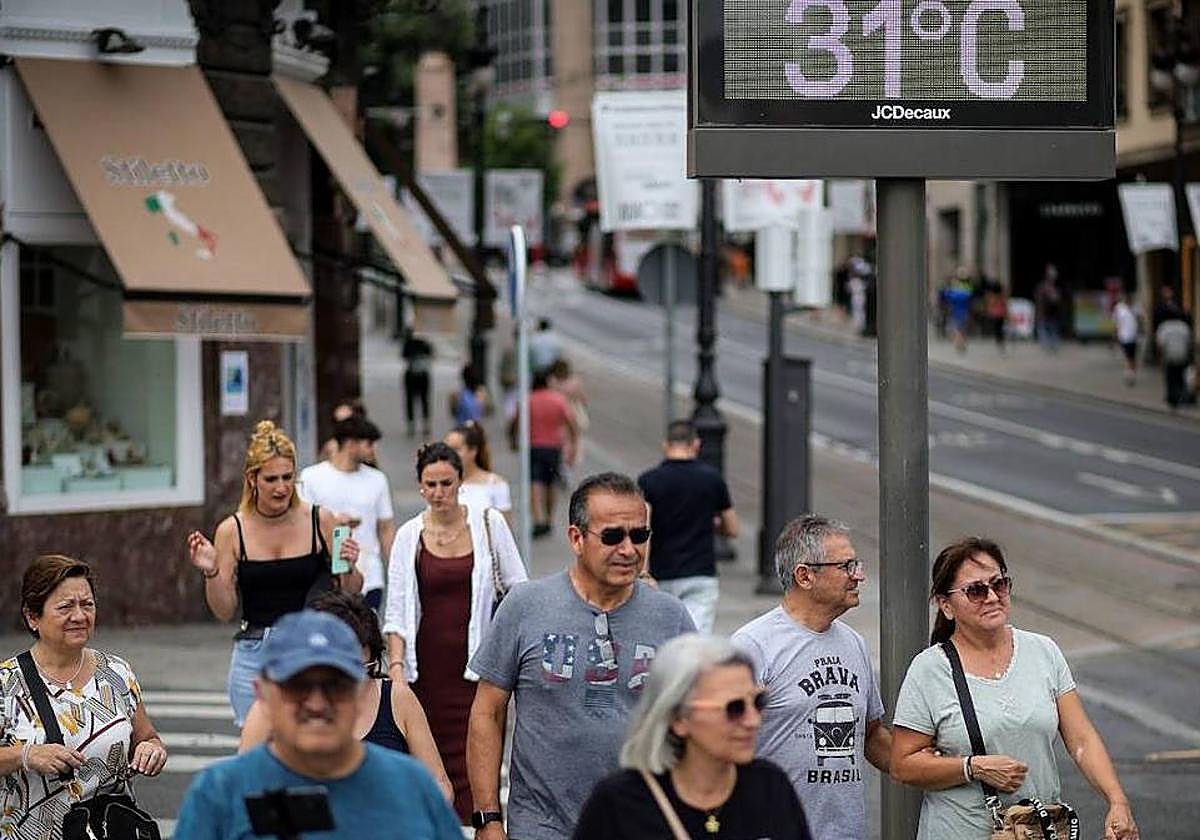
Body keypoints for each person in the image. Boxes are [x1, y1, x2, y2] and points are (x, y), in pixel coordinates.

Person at [467, 472, 696, 840]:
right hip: (542, 826)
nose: (629, 549)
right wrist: (487, 818)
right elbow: (487, 711)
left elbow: (694, 721)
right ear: (576, 537)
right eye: (612, 536)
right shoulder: (525, 606)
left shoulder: (671, 617)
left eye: (639, 535)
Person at [890, 537, 1138, 840]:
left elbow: (1081, 739)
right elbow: (902, 765)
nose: (992, 597)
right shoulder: (929, 670)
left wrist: (1117, 801)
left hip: (1035, 831)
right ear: (946, 605)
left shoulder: (1043, 651)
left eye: (1000, 584)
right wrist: (973, 768)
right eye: (976, 590)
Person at [173, 610, 462, 840]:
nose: (317, 703)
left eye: (335, 686)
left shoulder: (414, 789)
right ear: (263, 693)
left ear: (361, 691)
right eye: (298, 685)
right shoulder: (218, 795)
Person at [384, 442, 527, 823]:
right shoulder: (408, 535)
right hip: (425, 671)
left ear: (461, 481)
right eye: (430, 485)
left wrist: (510, 654)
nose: (438, 493)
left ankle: (480, 826)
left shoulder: (488, 523)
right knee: (426, 762)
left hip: (477, 671)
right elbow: (396, 610)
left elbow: (518, 589)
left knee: (476, 758)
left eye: (446, 483)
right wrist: (397, 672)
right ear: (419, 486)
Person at [186, 420, 362, 727]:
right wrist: (212, 572)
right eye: (271, 479)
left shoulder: (320, 519)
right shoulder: (232, 530)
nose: (281, 487)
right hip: (255, 651)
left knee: (309, 745)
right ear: (252, 479)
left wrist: (348, 563)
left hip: (311, 646)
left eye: (287, 477)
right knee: (257, 756)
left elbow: (350, 591)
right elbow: (224, 610)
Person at [731, 515, 890, 840]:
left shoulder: (853, 643)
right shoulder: (752, 646)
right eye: (846, 566)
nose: (858, 576)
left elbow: (871, 736)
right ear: (805, 575)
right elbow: (717, 749)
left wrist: (953, 768)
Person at [573, 633, 812, 839]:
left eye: (758, 702)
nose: (753, 720)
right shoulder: (620, 802)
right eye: (734, 708)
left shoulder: (770, 785)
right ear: (678, 718)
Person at [1, 555, 168, 840]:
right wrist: (25, 755)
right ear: (32, 617)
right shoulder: (7, 683)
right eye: (66, 607)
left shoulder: (117, 672)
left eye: (87, 604)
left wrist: (151, 750)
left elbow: (147, 736)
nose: (79, 616)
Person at [238, 591, 453, 802]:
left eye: (352, 674)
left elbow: (438, 782)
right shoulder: (268, 709)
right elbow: (244, 788)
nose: (320, 701)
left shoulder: (397, 698)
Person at [637, 419, 738, 634]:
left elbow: (643, 528)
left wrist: (644, 572)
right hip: (700, 573)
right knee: (695, 641)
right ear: (696, 444)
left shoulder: (649, 481)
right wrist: (714, 523)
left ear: (666, 445)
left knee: (663, 640)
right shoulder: (712, 479)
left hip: (662, 573)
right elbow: (732, 528)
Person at [300, 416, 395, 611]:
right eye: (368, 444)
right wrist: (334, 522)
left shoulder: (377, 480)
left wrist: (396, 567)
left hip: (370, 574)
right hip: (325, 576)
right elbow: (301, 525)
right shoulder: (312, 477)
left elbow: (385, 527)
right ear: (351, 444)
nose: (373, 449)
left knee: (367, 636)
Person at [528, 369, 580, 538]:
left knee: (535, 482)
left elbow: (517, 421)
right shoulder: (558, 400)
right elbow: (572, 423)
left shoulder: (530, 399)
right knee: (551, 483)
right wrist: (573, 445)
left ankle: (538, 519)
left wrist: (513, 438)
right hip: (554, 447)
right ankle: (549, 520)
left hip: (534, 445)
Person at [446, 422, 513, 524]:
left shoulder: (495, 483)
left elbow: (505, 529)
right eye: (447, 449)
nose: (449, 454)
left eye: (456, 449)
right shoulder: (441, 483)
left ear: (473, 450)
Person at [548, 359, 589, 472]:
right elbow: (583, 399)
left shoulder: (552, 381)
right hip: (574, 412)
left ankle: (564, 462)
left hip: (558, 414)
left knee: (562, 439)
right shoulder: (575, 381)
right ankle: (573, 460)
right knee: (576, 437)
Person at [1156, 311, 1192, 411]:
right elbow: (1188, 342)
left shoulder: (1164, 327)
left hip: (1169, 355)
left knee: (1170, 377)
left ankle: (1172, 398)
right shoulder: (1184, 327)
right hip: (1182, 355)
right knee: (1180, 377)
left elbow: (1161, 344)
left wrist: (1160, 357)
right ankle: (1181, 396)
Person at [403, 330, 434, 438]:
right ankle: (425, 424)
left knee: (410, 400)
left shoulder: (408, 343)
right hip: (423, 375)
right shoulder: (424, 343)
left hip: (411, 374)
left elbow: (404, 355)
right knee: (424, 400)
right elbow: (431, 353)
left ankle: (412, 425)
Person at [1112, 291, 1139, 386]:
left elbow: (1140, 319)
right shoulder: (1119, 308)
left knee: (1133, 357)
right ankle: (1129, 375)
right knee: (1128, 357)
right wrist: (1115, 336)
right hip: (1124, 336)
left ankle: (1132, 374)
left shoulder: (1135, 307)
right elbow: (1116, 323)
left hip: (1134, 336)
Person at [1035, 264, 1063, 352]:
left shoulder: (1053, 288)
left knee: (1051, 328)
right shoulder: (1043, 287)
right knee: (1045, 328)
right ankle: (1049, 345)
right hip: (1046, 312)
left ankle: (1052, 345)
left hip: (1052, 312)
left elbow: (1058, 300)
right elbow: (1039, 299)